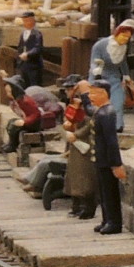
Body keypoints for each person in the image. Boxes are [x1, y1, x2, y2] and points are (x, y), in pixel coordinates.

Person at [84, 77, 127, 234]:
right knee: (103, 192)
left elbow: (111, 141)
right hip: (100, 158)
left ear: (103, 93)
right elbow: (88, 109)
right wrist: (82, 94)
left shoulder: (107, 113)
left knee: (110, 192)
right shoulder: (99, 111)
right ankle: (106, 219)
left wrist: (116, 164)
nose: (91, 96)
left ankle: (114, 222)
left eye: (93, 93)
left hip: (108, 160)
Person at [88, 18, 134, 129]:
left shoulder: (123, 47)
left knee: (118, 100)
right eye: (123, 36)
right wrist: (96, 70)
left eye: (128, 37)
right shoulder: (100, 45)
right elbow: (94, 61)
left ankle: (117, 124)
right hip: (99, 76)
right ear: (117, 33)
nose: (125, 39)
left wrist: (126, 76)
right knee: (98, 102)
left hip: (114, 76)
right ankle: (98, 124)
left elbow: (123, 62)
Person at [59, 77, 97, 218]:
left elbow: (90, 124)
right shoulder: (73, 104)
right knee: (74, 176)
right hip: (75, 144)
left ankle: (86, 206)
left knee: (84, 177)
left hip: (85, 144)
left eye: (71, 89)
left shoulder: (89, 107)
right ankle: (76, 205)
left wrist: (77, 134)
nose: (68, 92)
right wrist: (68, 126)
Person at [2, 77, 63, 154]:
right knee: (11, 122)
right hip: (27, 119)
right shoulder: (17, 101)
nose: (7, 94)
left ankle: (13, 145)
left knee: (13, 126)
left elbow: (36, 114)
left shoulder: (25, 101)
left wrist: (24, 122)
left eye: (9, 92)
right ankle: (10, 142)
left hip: (34, 124)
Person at [14, 11, 44, 88]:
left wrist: (28, 54)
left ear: (32, 21)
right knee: (24, 84)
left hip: (34, 64)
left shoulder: (37, 33)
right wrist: (19, 58)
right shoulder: (23, 33)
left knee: (34, 85)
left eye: (27, 21)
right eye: (24, 21)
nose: (25, 23)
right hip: (24, 64)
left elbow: (38, 48)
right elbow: (20, 47)